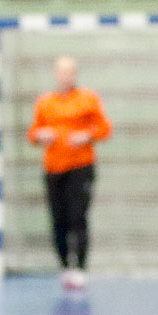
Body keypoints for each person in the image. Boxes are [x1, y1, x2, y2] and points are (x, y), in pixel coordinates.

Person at [27, 55, 111, 290]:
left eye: (69, 72)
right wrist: (41, 135)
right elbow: (33, 133)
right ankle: (65, 267)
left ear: (75, 75)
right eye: (61, 72)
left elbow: (104, 128)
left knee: (78, 217)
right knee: (58, 219)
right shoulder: (45, 103)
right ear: (56, 75)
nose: (65, 77)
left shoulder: (88, 100)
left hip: (81, 167)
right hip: (54, 169)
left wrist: (87, 135)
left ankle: (81, 269)